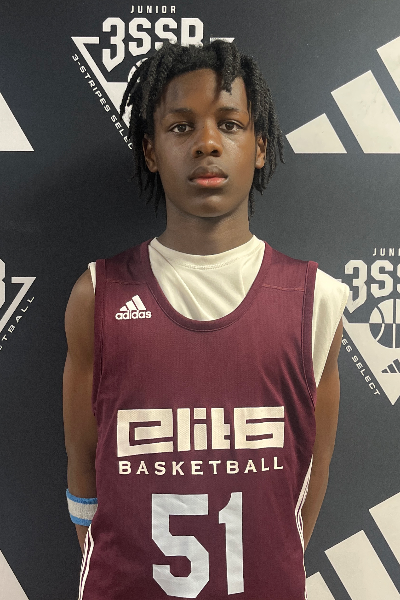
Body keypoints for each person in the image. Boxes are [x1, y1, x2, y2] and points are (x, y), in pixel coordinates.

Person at [63, 40, 349, 600]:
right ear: (150, 151)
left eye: (230, 124)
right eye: (181, 127)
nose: (207, 143)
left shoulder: (316, 299)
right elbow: (83, 465)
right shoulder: (97, 294)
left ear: (260, 147)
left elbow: (306, 484)